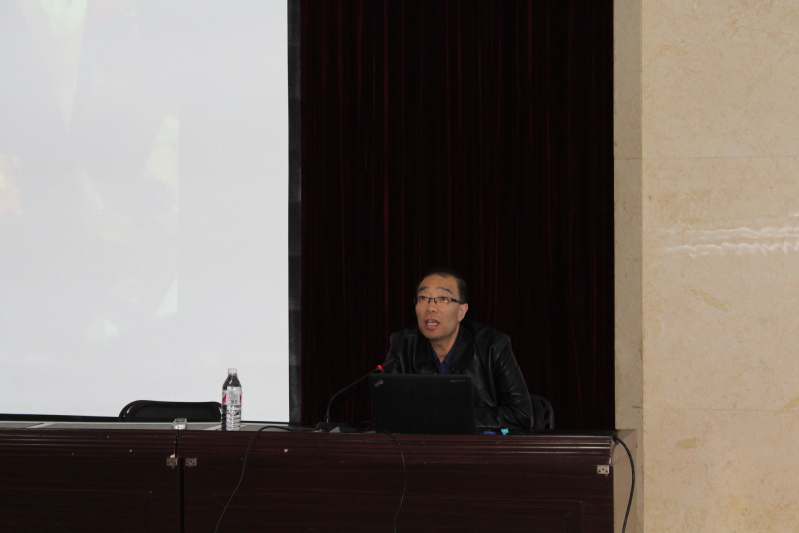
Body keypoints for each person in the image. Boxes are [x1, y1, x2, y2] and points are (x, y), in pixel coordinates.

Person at [382, 268, 533, 430]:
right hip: (420, 444)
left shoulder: (492, 345)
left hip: (478, 444)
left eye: (443, 298)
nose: (430, 307)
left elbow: (521, 415)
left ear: (461, 311)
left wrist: (451, 417)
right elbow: (385, 409)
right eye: (423, 298)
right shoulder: (403, 344)